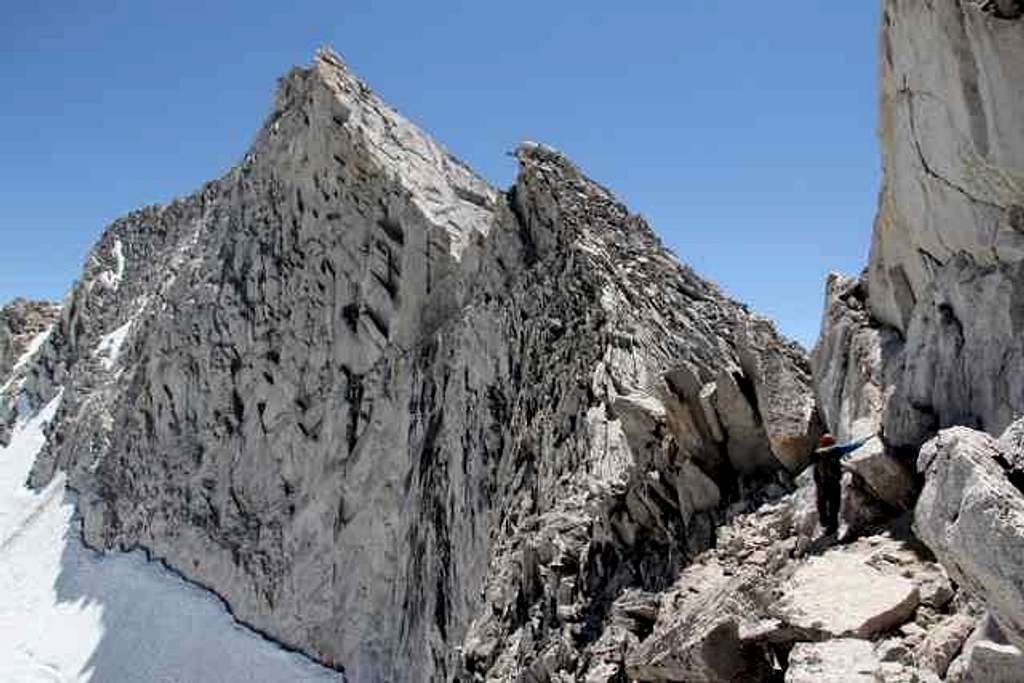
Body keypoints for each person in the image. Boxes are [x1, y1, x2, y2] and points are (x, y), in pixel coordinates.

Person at [810, 433, 871, 536]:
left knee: (822, 505)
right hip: (833, 483)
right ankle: (831, 528)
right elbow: (851, 447)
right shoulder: (835, 450)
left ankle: (825, 524)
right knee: (834, 506)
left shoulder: (817, 455)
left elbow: (816, 473)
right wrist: (865, 441)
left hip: (821, 486)